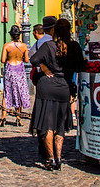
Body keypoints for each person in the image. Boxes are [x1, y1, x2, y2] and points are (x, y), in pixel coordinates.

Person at [29, 18, 85, 170]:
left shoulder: (49, 46)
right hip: (63, 87)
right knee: (60, 124)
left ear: (54, 30)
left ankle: (50, 159)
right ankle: (59, 158)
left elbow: (33, 59)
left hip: (46, 86)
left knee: (47, 124)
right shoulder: (74, 47)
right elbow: (81, 66)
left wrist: (44, 67)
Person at [0, 25, 31, 126]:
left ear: (11, 35)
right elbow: (26, 60)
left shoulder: (7, 46)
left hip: (10, 70)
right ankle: (18, 117)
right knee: (19, 92)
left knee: (6, 92)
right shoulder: (24, 46)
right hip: (20, 70)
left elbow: (3, 60)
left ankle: (3, 117)